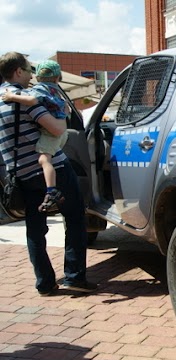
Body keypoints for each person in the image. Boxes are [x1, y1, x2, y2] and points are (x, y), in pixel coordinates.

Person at [0, 52, 97, 296]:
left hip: (20, 174)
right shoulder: (24, 98)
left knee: (35, 229)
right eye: (28, 70)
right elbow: (55, 128)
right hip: (51, 168)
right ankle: (74, 276)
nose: (31, 75)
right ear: (18, 72)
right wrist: (60, 117)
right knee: (75, 218)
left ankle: (45, 282)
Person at [2, 60, 68, 212]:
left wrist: (12, 97)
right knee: (47, 159)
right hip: (55, 138)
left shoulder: (38, 90)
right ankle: (51, 190)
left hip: (26, 163)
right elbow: (59, 128)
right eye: (27, 71)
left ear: (38, 77)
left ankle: (52, 190)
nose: (30, 77)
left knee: (44, 159)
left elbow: (32, 101)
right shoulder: (53, 90)